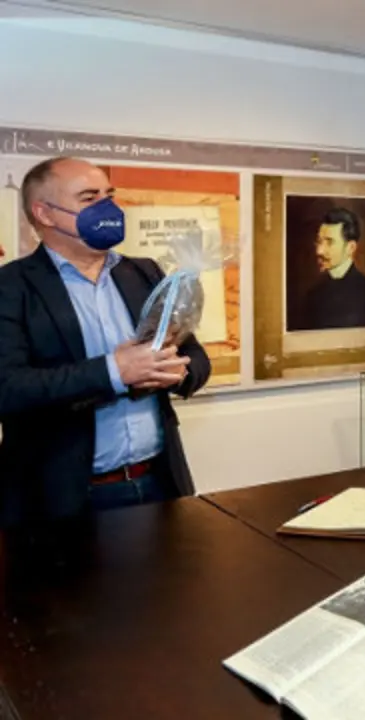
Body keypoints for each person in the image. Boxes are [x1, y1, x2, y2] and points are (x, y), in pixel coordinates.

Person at [0, 156, 211, 531]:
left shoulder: (144, 272)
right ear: (44, 213)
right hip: (61, 501)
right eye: (89, 197)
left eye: (109, 195)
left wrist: (177, 372)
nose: (107, 208)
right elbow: (9, 388)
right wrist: (115, 371)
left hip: (160, 483)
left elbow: (195, 356)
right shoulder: (11, 287)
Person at [299, 206, 365, 330]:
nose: (319, 251)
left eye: (329, 242)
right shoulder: (313, 295)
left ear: (351, 247)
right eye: (319, 241)